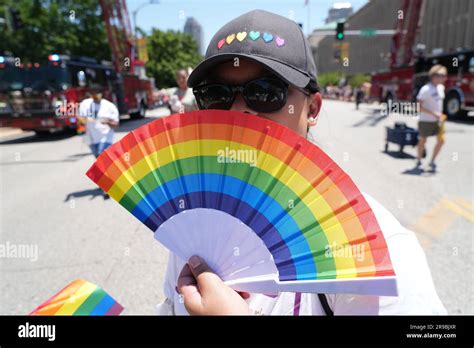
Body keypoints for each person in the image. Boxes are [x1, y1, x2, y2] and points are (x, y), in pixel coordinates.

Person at [157, 10, 446, 316]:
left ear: (313, 108)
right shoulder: (193, 222)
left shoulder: (379, 247)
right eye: (216, 95)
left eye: (265, 92)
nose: (238, 112)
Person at [415, 65, 447, 171]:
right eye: (441, 75)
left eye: (444, 75)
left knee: (441, 141)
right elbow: (418, 107)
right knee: (423, 141)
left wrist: (440, 114)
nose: (443, 78)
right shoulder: (425, 89)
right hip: (425, 120)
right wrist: (433, 113)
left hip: (438, 120)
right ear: (433, 76)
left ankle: (432, 161)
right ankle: (419, 160)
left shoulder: (441, 88)